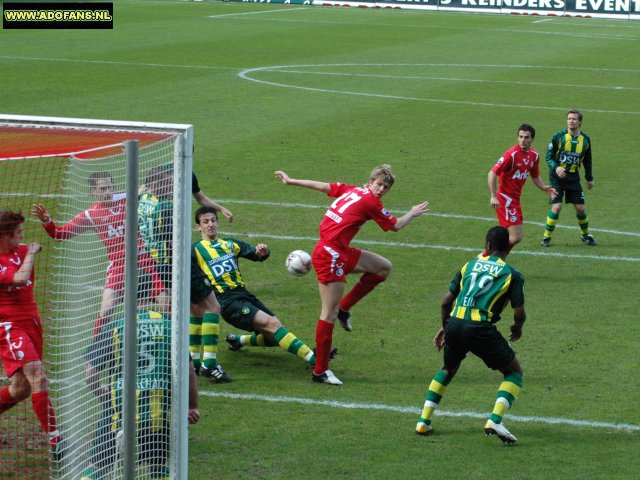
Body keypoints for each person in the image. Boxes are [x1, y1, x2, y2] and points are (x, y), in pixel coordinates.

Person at [275, 166, 429, 385]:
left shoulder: (352, 190)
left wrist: (292, 181)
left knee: (383, 267)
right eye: (379, 184)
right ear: (370, 181)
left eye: (386, 187)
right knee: (328, 313)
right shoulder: (371, 202)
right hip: (330, 255)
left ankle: (345, 309)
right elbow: (395, 226)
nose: (381, 189)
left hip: (340, 250)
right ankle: (320, 371)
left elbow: (323, 186)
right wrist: (412, 213)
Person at [81, 273, 199, 480]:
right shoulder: (171, 327)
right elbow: (189, 371)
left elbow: (89, 375)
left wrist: (106, 398)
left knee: (97, 468)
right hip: (156, 413)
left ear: (126, 295)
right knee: (157, 469)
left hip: (118, 412)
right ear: (152, 295)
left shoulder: (115, 327)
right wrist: (191, 406)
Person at [415, 226, 525, 444]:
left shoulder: (469, 265)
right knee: (514, 373)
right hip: (480, 328)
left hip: (455, 323)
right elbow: (519, 312)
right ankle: (495, 419)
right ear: (508, 248)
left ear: (487, 246)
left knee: (447, 369)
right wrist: (517, 328)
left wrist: (446, 327)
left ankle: (423, 421)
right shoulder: (512, 274)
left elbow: (446, 302)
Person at [32, 171, 169, 336]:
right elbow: (60, 234)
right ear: (93, 191)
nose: (108, 192)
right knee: (106, 312)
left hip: (144, 263)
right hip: (119, 269)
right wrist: (47, 221)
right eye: (103, 189)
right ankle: (95, 357)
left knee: (167, 306)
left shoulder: (127, 198)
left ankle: (177, 350)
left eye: (110, 188)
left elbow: (145, 188)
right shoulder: (90, 215)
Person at [137, 166, 233, 383]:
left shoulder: (142, 201)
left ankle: (195, 362)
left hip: (151, 265)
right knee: (212, 307)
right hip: (175, 264)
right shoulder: (167, 207)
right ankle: (208, 363)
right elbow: (173, 241)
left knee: (191, 311)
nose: (171, 185)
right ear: (156, 184)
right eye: (166, 182)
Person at [192, 206, 318, 371]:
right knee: (273, 325)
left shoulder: (230, 244)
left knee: (274, 335)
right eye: (205, 222)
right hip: (227, 302)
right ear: (198, 227)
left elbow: (256, 254)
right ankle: (316, 360)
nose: (211, 225)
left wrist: (263, 251)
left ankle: (238, 340)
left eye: (213, 220)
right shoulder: (195, 250)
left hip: (244, 296)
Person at [0, 210, 64, 460]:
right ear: (6, 235)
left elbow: (57, 236)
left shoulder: (21, 249)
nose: (23, 236)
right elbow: (20, 277)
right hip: (8, 326)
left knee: (21, 389)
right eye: (18, 233)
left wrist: (49, 223)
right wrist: (30, 254)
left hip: (32, 322)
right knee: (38, 375)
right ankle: (56, 439)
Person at [487, 124, 557, 253]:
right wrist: (493, 196)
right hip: (505, 199)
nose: (522, 140)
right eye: (520, 137)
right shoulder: (511, 155)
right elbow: (492, 173)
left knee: (509, 237)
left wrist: (544, 187)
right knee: (516, 237)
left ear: (532, 139)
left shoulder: (534, 155)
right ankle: (487, 258)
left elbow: (535, 175)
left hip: (515, 200)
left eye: (526, 137)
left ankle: (494, 260)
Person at [541, 109, 597, 247]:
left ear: (580, 122)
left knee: (581, 209)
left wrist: (589, 178)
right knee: (557, 206)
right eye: (569, 118)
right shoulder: (558, 136)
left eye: (574, 119)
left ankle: (585, 235)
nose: (571, 121)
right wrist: (557, 167)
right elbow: (548, 157)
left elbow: (587, 159)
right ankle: (546, 237)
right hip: (556, 177)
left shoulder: (585, 140)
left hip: (573, 178)